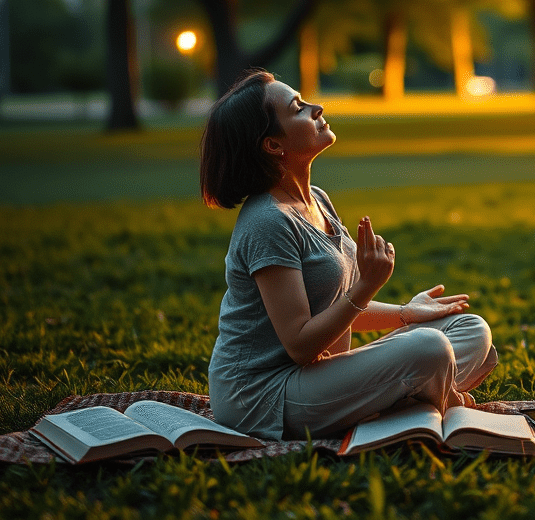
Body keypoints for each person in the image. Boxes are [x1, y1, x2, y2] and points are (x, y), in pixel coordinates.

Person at [199, 69, 498, 440]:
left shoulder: (317, 200)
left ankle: (405, 398)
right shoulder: (268, 223)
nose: (316, 107)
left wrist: (405, 313)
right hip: (264, 395)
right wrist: (366, 286)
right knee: (429, 348)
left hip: (321, 374)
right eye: (298, 108)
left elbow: (334, 310)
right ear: (273, 145)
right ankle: (418, 400)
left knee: (469, 330)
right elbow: (300, 345)